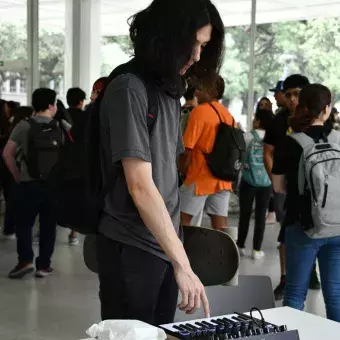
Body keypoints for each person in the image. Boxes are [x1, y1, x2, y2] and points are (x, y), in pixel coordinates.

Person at [97, 0, 225, 325]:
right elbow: (140, 186)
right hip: (131, 246)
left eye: (204, 46)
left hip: (164, 245)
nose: (197, 56)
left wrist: (177, 256)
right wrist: (183, 264)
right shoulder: (129, 87)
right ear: (166, 37)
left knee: (161, 332)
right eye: (192, 44)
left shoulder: (169, 91)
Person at [272, 84, 340, 322]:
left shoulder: (290, 143)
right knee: (336, 296)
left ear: (302, 108)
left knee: (294, 295)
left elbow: (278, 187)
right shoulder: (339, 140)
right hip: (337, 226)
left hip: (302, 226)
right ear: (327, 109)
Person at [263, 74, 321, 301]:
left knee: (315, 228)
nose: (292, 99)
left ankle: (311, 271)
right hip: (285, 189)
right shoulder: (278, 122)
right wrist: (276, 180)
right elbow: (268, 152)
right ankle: (286, 277)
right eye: (288, 95)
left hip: (317, 193)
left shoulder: (317, 121)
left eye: (297, 94)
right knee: (286, 233)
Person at [3, 88, 60, 279]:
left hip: (28, 184)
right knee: (48, 226)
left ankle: (25, 260)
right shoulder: (61, 126)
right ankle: (44, 266)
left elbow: (7, 153)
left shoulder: (24, 126)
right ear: (52, 106)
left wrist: (17, 175)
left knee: (24, 224)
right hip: (52, 185)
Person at [180, 75, 234, 231]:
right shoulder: (228, 115)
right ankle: (224, 254)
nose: (196, 90)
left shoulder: (200, 112)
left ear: (213, 90)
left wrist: (183, 171)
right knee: (221, 227)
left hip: (200, 177)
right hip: (223, 178)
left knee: (182, 222)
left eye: (201, 86)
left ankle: (186, 254)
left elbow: (187, 148)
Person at [237, 109, 274, 260]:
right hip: (266, 182)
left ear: (258, 121)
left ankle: (240, 246)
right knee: (261, 216)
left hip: (247, 180)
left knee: (244, 215)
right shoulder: (271, 138)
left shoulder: (247, 136)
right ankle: (257, 250)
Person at [2, 106, 34, 239]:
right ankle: (13, 228)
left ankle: (8, 228)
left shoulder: (12, 126)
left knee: (11, 199)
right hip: (16, 167)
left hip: (7, 167)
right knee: (17, 200)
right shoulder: (24, 129)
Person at [66, 87, 87, 246]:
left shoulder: (61, 116)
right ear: (81, 101)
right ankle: (74, 234)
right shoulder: (86, 116)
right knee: (79, 198)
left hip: (63, 161)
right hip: (81, 163)